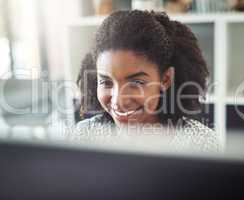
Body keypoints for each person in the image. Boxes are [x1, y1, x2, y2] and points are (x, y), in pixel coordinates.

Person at [75, 10, 221, 152]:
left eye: (136, 83)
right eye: (106, 83)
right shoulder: (85, 136)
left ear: (165, 79)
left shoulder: (201, 145)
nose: (118, 101)